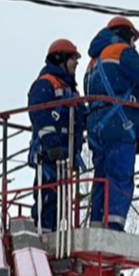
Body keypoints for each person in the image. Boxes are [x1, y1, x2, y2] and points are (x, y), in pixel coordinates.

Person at [83, 16, 139, 232]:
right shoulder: (120, 52)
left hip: (95, 126)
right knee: (120, 175)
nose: (133, 45)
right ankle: (114, 225)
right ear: (126, 35)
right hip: (117, 124)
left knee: (101, 176)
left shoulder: (92, 63)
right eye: (132, 39)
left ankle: (97, 224)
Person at [27, 38, 85, 232]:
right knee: (47, 196)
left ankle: (53, 229)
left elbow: (80, 118)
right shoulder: (45, 85)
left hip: (66, 155)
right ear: (59, 58)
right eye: (72, 58)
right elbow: (40, 115)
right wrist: (51, 144)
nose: (76, 63)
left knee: (63, 200)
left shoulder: (71, 91)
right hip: (48, 154)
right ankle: (42, 230)